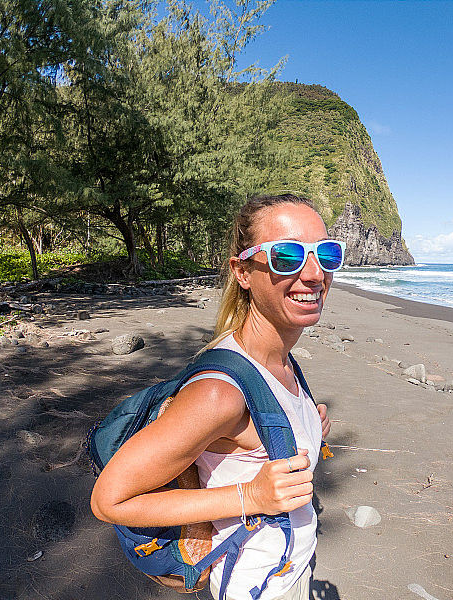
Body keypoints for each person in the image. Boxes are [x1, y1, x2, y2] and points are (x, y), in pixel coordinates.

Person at [91, 194, 343, 600]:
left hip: (290, 568)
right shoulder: (219, 393)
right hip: (260, 587)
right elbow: (109, 500)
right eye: (287, 255)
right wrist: (251, 496)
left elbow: (246, 449)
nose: (314, 273)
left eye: (327, 254)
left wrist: (309, 426)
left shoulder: (282, 360)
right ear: (243, 271)